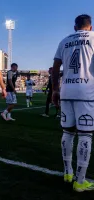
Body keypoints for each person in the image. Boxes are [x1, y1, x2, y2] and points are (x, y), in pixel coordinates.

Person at [52, 14, 94, 192]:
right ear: (90, 27)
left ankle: (67, 173)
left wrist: (55, 89)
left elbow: (55, 67)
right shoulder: (93, 37)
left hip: (66, 91)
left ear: (75, 27)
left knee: (67, 132)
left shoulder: (64, 41)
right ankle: (80, 181)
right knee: (85, 134)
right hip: (86, 92)